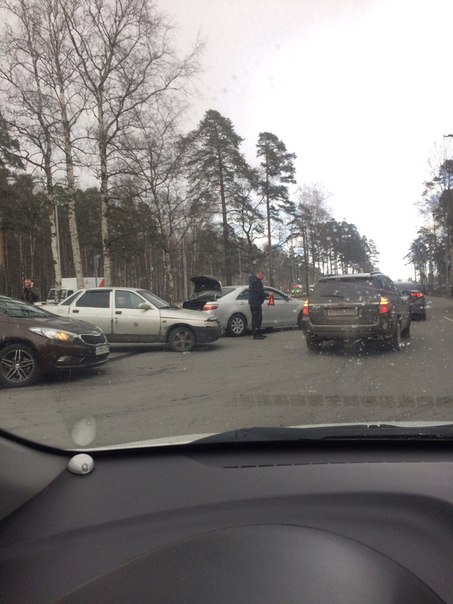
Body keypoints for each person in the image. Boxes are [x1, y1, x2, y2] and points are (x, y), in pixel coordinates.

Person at [248, 270, 266, 340]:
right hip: (256, 302)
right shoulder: (256, 282)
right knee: (257, 319)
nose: (263, 278)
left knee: (255, 318)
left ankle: (257, 332)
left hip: (254, 302)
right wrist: (267, 295)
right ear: (260, 274)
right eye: (262, 276)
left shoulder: (253, 281)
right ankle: (256, 334)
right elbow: (260, 292)